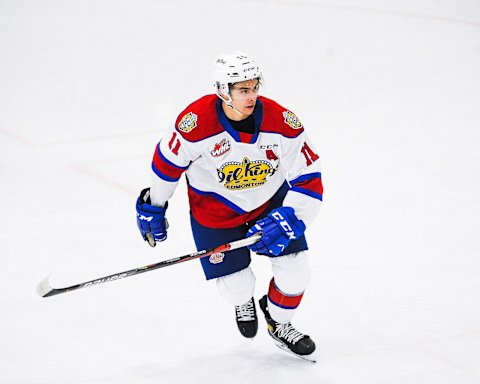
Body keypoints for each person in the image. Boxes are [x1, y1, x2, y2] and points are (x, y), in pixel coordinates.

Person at [135, 52, 323, 357]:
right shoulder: (194, 124)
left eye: (254, 87)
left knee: (296, 272)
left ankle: (279, 322)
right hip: (215, 213)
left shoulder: (281, 121)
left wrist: (292, 215)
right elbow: (167, 164)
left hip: (269, 204)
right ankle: (243, 299)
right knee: (236, 286)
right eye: (243, 90)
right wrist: (154, 204)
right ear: (223, 90)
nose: (252, 96)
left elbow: (309, 175)